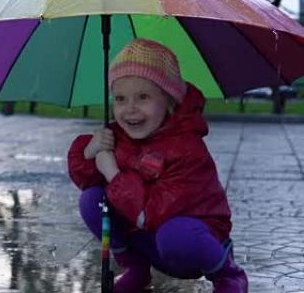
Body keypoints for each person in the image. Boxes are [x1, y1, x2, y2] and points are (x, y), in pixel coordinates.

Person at [67, 39, 248, 293]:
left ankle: (227, 274)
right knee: (93, 199)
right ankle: (136, 268)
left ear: (170, 102)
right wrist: (91, 151)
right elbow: (84, 178)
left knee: (175, 234)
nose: (130, 109)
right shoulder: (117, 136)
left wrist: (112, 173)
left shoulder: (187, 149)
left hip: (189, 244)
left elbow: (153, 214)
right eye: (120, 98)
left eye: (143, 97)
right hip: (146, 239)